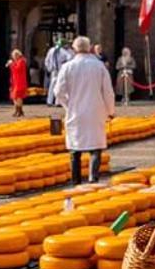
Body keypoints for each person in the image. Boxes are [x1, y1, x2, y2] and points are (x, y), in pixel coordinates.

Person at [52, 34, 115, 184]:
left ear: (74, 49)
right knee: (95, 147)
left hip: (76, 112)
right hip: (96, 111)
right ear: (90, 48)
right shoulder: (99, 66)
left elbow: (58, 92)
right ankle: (93, 179)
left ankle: (76, 181)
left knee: (75, 149)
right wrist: (110, 111)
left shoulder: (68, 67)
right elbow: (108, 91)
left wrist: (68, 104)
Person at [42, 37, 73, 107]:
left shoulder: (51, 50)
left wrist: (49, 68)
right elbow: (70, 57)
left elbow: (47, 60)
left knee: (52, 85)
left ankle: (49, 101)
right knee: (60, 85)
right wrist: (65, 64)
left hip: (54, 70)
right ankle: (57, 102)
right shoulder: (64, 51)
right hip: (61, 70)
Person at [7, 48, 30, 118]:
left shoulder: (21, 61)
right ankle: (18, 110)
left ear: (17, 55)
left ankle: (19, 111)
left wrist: (11, 64)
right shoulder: (16, 61)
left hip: (20, 82)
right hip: (15, 81)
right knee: (14, 96)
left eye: (14, 55)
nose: (13, 57)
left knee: (18, 96)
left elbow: (17, 69)